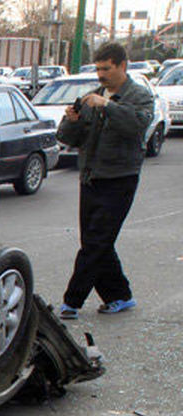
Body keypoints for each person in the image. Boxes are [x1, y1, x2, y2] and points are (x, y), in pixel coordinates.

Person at [55, 41, 153, 319]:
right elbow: (68, 139)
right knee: (97, 242)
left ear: (122, 66)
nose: (101, 75)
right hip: (91, 179)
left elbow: (135, 126)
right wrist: (71, 121)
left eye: (106, 69)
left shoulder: (139, 96)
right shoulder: (90, 97)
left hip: (120, 179)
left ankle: (71, 302)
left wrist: (107, 105)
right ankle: (120, 296)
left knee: (96, 243)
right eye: (97, 69)